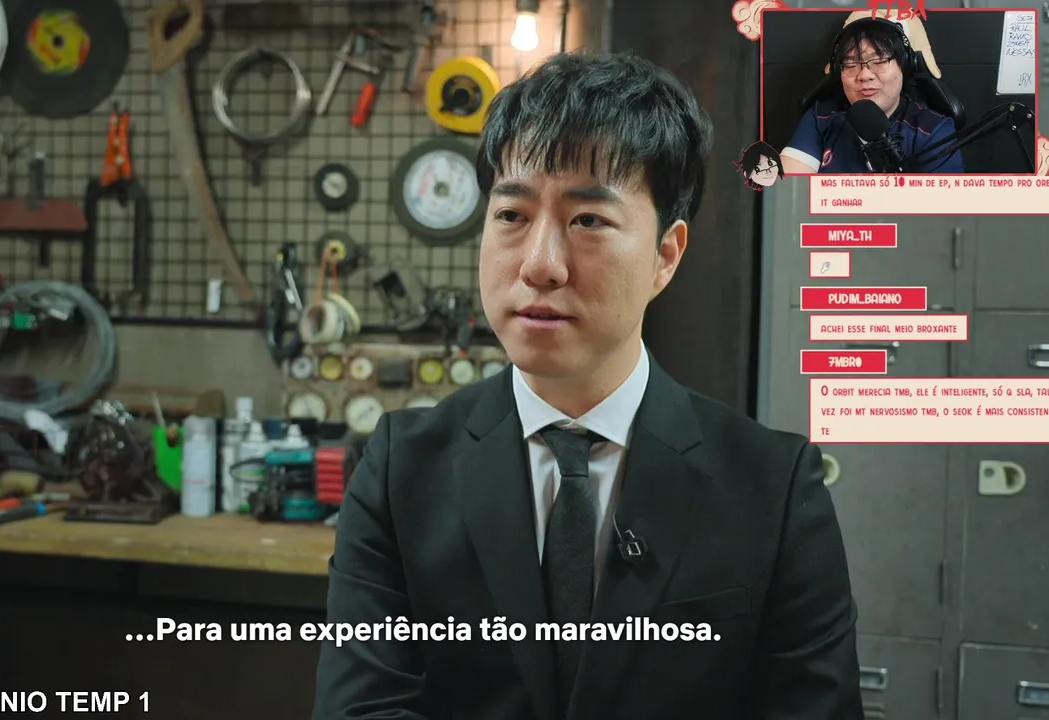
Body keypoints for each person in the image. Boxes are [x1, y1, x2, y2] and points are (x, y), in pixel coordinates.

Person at [313, 51, 862, 719]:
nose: (540, 266)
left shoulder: (773, 488)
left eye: (589, 221)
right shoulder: (401, 470)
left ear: (665, 256)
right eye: (512, 215)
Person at [781, 17, 964, 174]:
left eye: (879, 61)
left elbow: (941, 203)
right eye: (851, 65)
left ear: (905, 66)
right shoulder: (820, 117)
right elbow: (789, 191)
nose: (864, 75)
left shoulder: (934, 130)